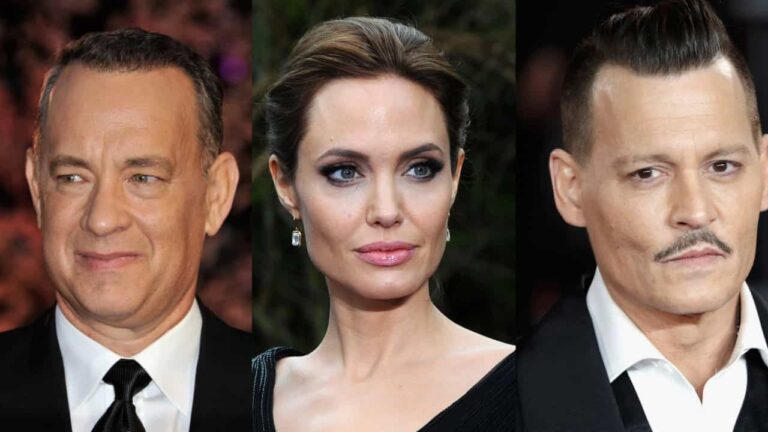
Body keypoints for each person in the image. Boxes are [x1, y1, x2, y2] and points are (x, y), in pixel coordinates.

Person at [515, 0, 768, 430]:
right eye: (647, 173)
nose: (695, 211)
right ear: (570, 189)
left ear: (763, 173)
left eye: (722, 166)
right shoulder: (502, 404)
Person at [253, 17, 515, 431]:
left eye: (419, 169)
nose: (387, 210)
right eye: (344, 172)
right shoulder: (238, 399)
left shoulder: (534, 394)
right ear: (286, 186)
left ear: (454, 178)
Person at [0, 28, 252, 431]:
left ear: (216, 195)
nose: (102, 219)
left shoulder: (295, 404)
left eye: (143, 178)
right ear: (37, 189)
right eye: (72, 178)